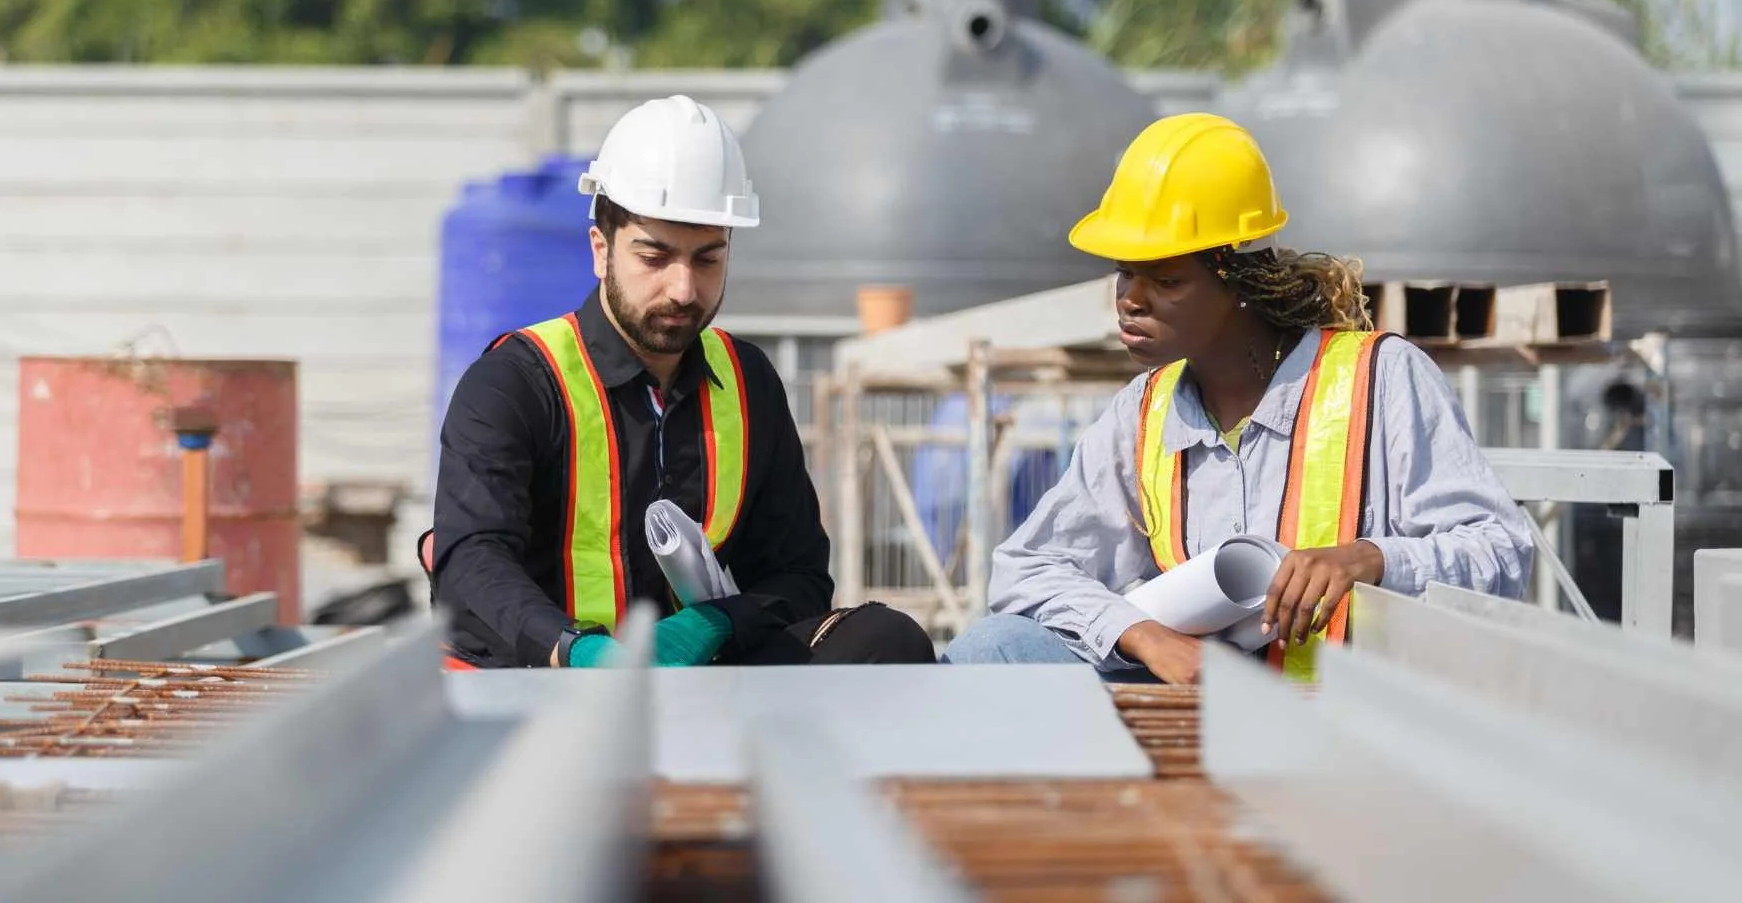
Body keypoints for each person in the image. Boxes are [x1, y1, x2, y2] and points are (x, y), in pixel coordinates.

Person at [941, 112, 1535, 683]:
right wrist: (1146, 637)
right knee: (990, 650)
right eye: (1126, 273)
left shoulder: (1382, 379)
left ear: (1241, 285)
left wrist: (1368, 560)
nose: (1131, 299)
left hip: (1351, 712)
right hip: (1205, 703)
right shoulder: (1142, 412)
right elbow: (1026, 567)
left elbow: (1502, 550)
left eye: (1167, 280)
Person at [420, 93, 935, 670]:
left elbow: (800, 576)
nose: (684, 290)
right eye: (655, 257)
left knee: (888, 640)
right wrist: (577, 650)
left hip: (703, 679)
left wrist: (717, 622)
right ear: (601, 250)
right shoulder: (514, 383)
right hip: (543, 683)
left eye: (707, 259)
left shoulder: (748, 382)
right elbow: (471, 562)